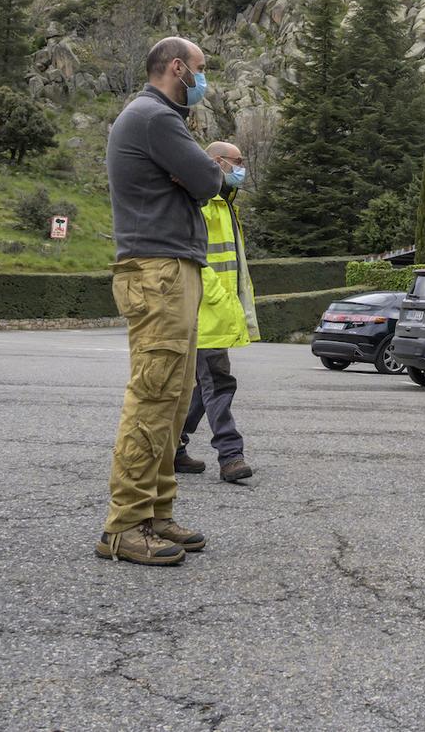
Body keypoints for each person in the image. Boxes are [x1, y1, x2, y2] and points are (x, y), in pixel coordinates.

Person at [97, 36, 236, 567]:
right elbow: (209, 179)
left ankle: (156, 513)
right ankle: (124, 526)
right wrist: (196, 174)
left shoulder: (158, 119)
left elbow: (200, 180)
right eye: (201, 68)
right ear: (177, 68)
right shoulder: (155, 117)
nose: (204, 78)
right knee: (154, 396)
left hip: (172, 269)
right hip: (158, 272)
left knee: (175, 399)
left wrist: (194, 176)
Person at [174, 142, 259, 485]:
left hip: (215, 311)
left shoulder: (224, 205)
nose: (241, 168)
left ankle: (173, 446)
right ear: (217, 162)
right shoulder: (204, 202)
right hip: (206, 312)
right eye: (237, 161)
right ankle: (230, 455)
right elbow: (195, 259)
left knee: (203, 386)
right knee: (219, 381)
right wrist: (221, 300)